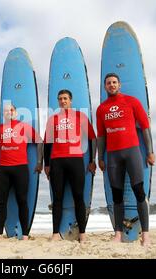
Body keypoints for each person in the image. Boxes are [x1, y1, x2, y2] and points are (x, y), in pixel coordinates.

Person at [96, 73, 155, 246]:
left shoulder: (132, 101)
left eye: (114, 82)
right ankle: (118, 234)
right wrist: (100, 157)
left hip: (132, 152)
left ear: (119, 85)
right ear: (105, 86)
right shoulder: (101, 109)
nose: (112, 85)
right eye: (108, 83)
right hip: (113, 155)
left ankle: (145, 235)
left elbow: (145, 127)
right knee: (117, 196)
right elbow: (101, 136)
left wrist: (150, 151)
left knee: (139, 192)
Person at [44, 89, 97, 242]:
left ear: (71, 100)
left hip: (75, 160)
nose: (63, 101)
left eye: (65, 98)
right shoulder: (52, 119)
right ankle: (55, 233)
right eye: (60, 99)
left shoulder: (80, 116)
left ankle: (82, 233)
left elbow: (92, 138)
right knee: (57, 198)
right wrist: (47, 164)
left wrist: (92, 160)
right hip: (57, 161)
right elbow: (47, 143)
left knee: (78, 197)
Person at [0, 104, 43, 240]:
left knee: (22, 200)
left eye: (12, 110)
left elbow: (39, 141)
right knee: (1, 202)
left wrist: (39, 162)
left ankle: (25, 234)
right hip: (3, 169)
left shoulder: (24, 127)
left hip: (20, 168)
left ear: (15, 112)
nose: (9, 112)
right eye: (6, 111)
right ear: (4, 114)